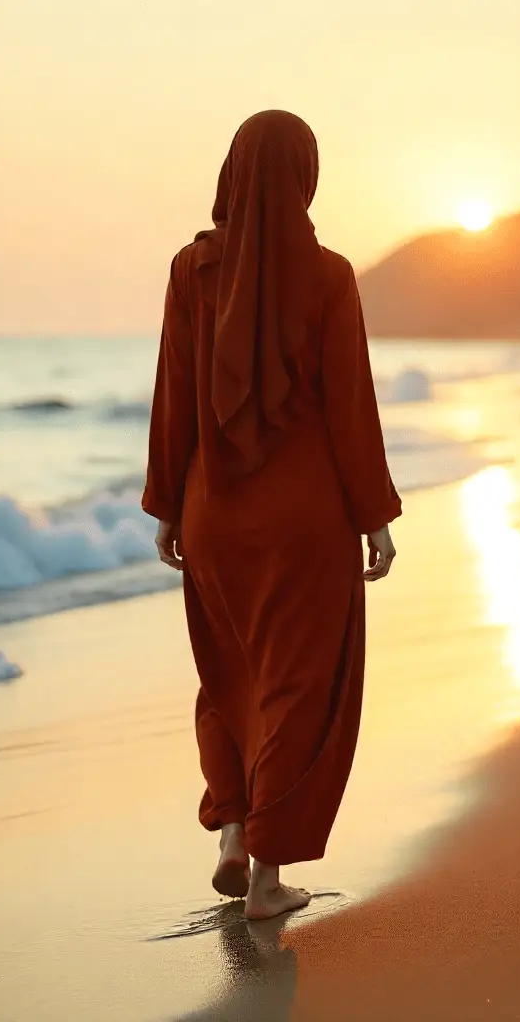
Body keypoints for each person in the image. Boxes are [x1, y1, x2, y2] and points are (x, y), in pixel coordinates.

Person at [142, 109, 401, 921]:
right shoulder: (330, 276)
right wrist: (375, 515)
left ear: (231, 173)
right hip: (307, 519)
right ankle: (266, 879)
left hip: (213, 513)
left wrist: (166, 506)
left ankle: (231, 831)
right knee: (297, 685)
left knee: (228, 675)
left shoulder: (190, 270)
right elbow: (350, 407)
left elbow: (174, 396)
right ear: (303, 177)